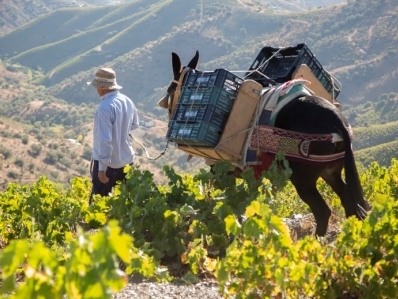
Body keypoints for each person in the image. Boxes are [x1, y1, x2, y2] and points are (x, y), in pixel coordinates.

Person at [87, 67, 139, 198]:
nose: (96, 89)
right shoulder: (128, 101)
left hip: (108, 165)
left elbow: (104, 140)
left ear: (103, 87)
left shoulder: (104, 107)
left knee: (100, 206)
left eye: (97, 86)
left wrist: (102, 170)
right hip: (127, 161)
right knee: (125, 203)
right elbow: (134, 125)